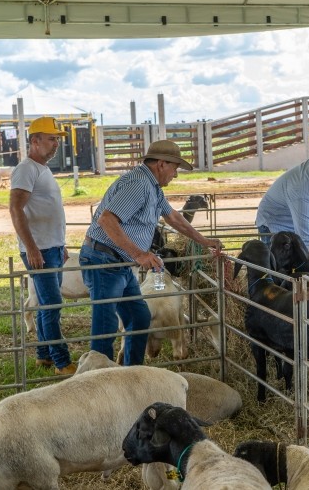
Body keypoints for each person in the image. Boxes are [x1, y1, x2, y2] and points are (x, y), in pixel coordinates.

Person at [80, 140, 223, 365]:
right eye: (175, 168)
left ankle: (133, 373)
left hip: (120, 262)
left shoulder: (152, 187)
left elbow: (173, 217)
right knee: (105, 328)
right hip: (105, 260)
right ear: (162, 164)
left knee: (140, 317)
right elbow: (107, 220)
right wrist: (139, 254)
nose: (175, 175)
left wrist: (204, 241)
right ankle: (100, 384)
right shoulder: (138, 184)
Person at [9, 116, 76, 375]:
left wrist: (59, 244)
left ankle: (44, 354)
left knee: (48, 303)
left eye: (57, 139)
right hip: (41, 250)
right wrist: (32, 247)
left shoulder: (42, 169)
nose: (56, 144)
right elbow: (16, 208)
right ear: (35, 141)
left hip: (52, 248)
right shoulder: (26, 169)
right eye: (51, 139)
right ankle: (61, 362)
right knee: (51, 304)